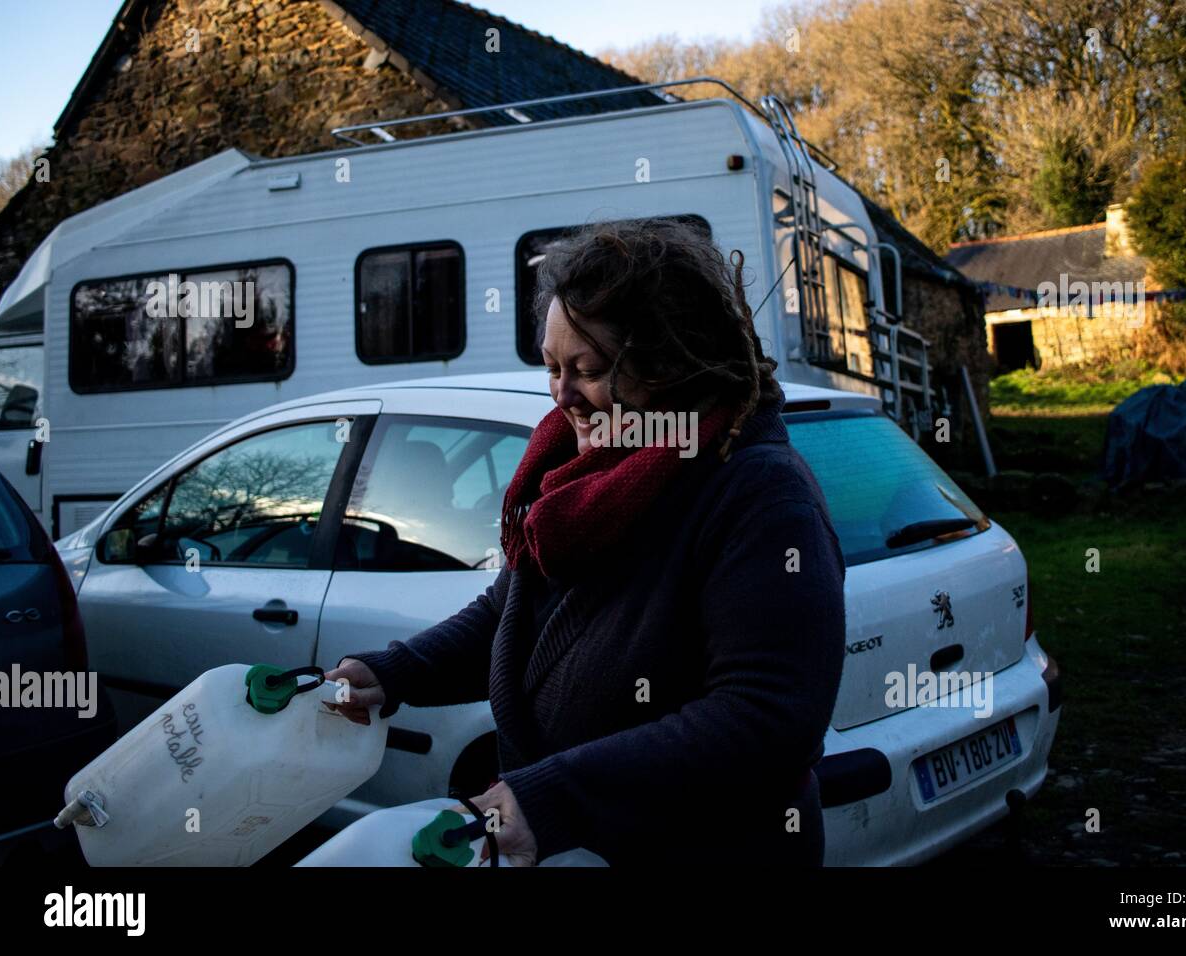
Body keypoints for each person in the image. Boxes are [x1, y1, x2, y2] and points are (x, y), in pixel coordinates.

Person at [327, 217, 845, 866]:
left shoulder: (758, 495)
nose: (563, 398)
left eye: (590, 370)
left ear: (668, 361)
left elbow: (767, 718)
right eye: (550, 368)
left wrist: (556, 798)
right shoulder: (579, 475)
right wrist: (393, 671)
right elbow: (509, 615)